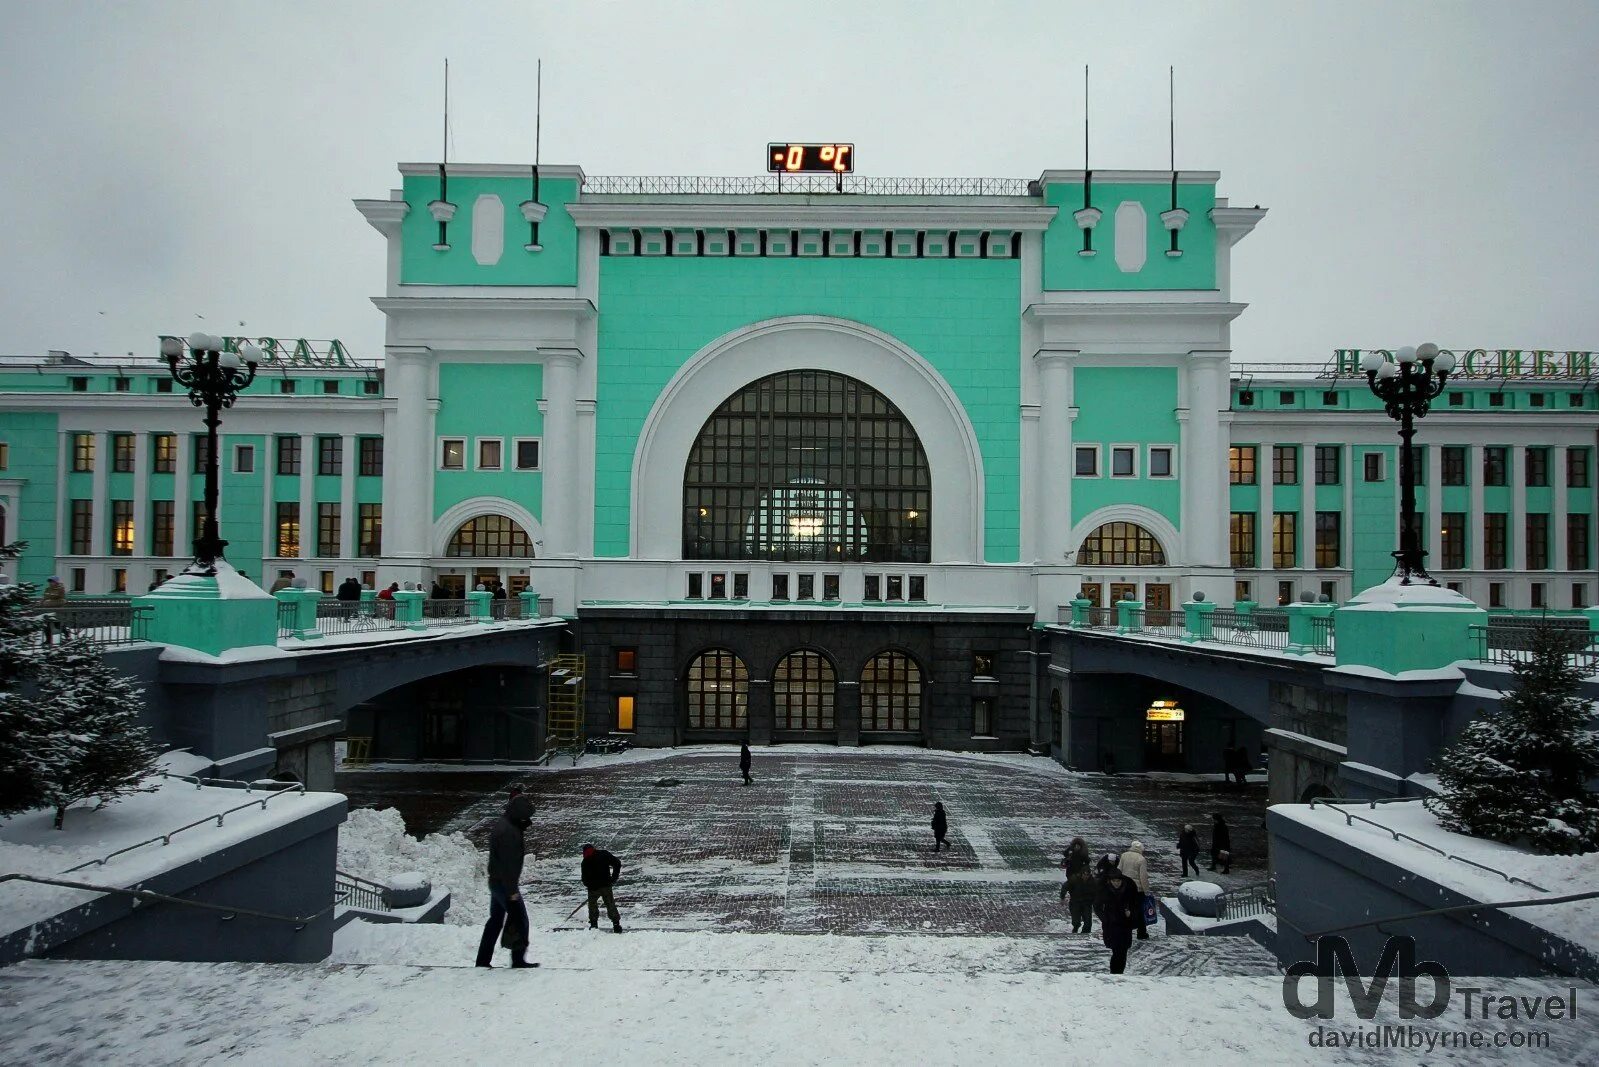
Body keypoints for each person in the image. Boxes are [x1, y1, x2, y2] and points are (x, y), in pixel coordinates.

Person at [476, 794, 537, 968]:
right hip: (505, 885)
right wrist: (511, 892)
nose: (528, 820)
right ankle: (518, 959)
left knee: (495, 921)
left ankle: (482, 960)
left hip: (496, 882)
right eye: (526, 816)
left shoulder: (505, 825)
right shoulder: (509, 832)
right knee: (520, 919)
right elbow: (508, 865)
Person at [1095, 855, 1144, 974]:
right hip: (1111, 924)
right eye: (1114, 881)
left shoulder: (1129, 888)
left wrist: (1131, 914)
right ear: (1110, 881)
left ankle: (1118, 972)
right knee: (1117, 950)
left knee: (1123, 951)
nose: (1116, 883)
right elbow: (1097, 906)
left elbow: (1136, 904)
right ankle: (1115, 972)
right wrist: (1104, 918)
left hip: (1125, 924)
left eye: (1118, 881)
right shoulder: (1105, 890)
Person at [580, 844, 624, 932]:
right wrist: (614, 877)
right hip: (605, 885)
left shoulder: (585, 861)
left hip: (594, 888)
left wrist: (588, 884)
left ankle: (593, 925)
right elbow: (617, 863)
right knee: (610, 904)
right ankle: (616, 925)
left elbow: (584, 877)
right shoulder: (603, 854)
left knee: (592, 905)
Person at [1061, 837, 1096, 934]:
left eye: (1078, 846)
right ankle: (1076, 925)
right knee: (1074, 888)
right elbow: (1064, 854)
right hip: (1072, 874)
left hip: (1080, 872)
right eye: (1075, 845)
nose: (1076, 847)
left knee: (1087, 919)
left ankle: (1085, 932)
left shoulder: (1083, 854)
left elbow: (1087, 860)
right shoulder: (1070, 851)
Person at [1117, 840, 1150, 940]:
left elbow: (1119, 870)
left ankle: (1125, 930)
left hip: (1125, 887)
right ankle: (1141, 933)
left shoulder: (1124, 855)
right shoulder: (1141, 859)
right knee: (1140, 911)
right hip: (1137, 889)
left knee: (1126, 909)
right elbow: (1143, 877)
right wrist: (1146, 891)